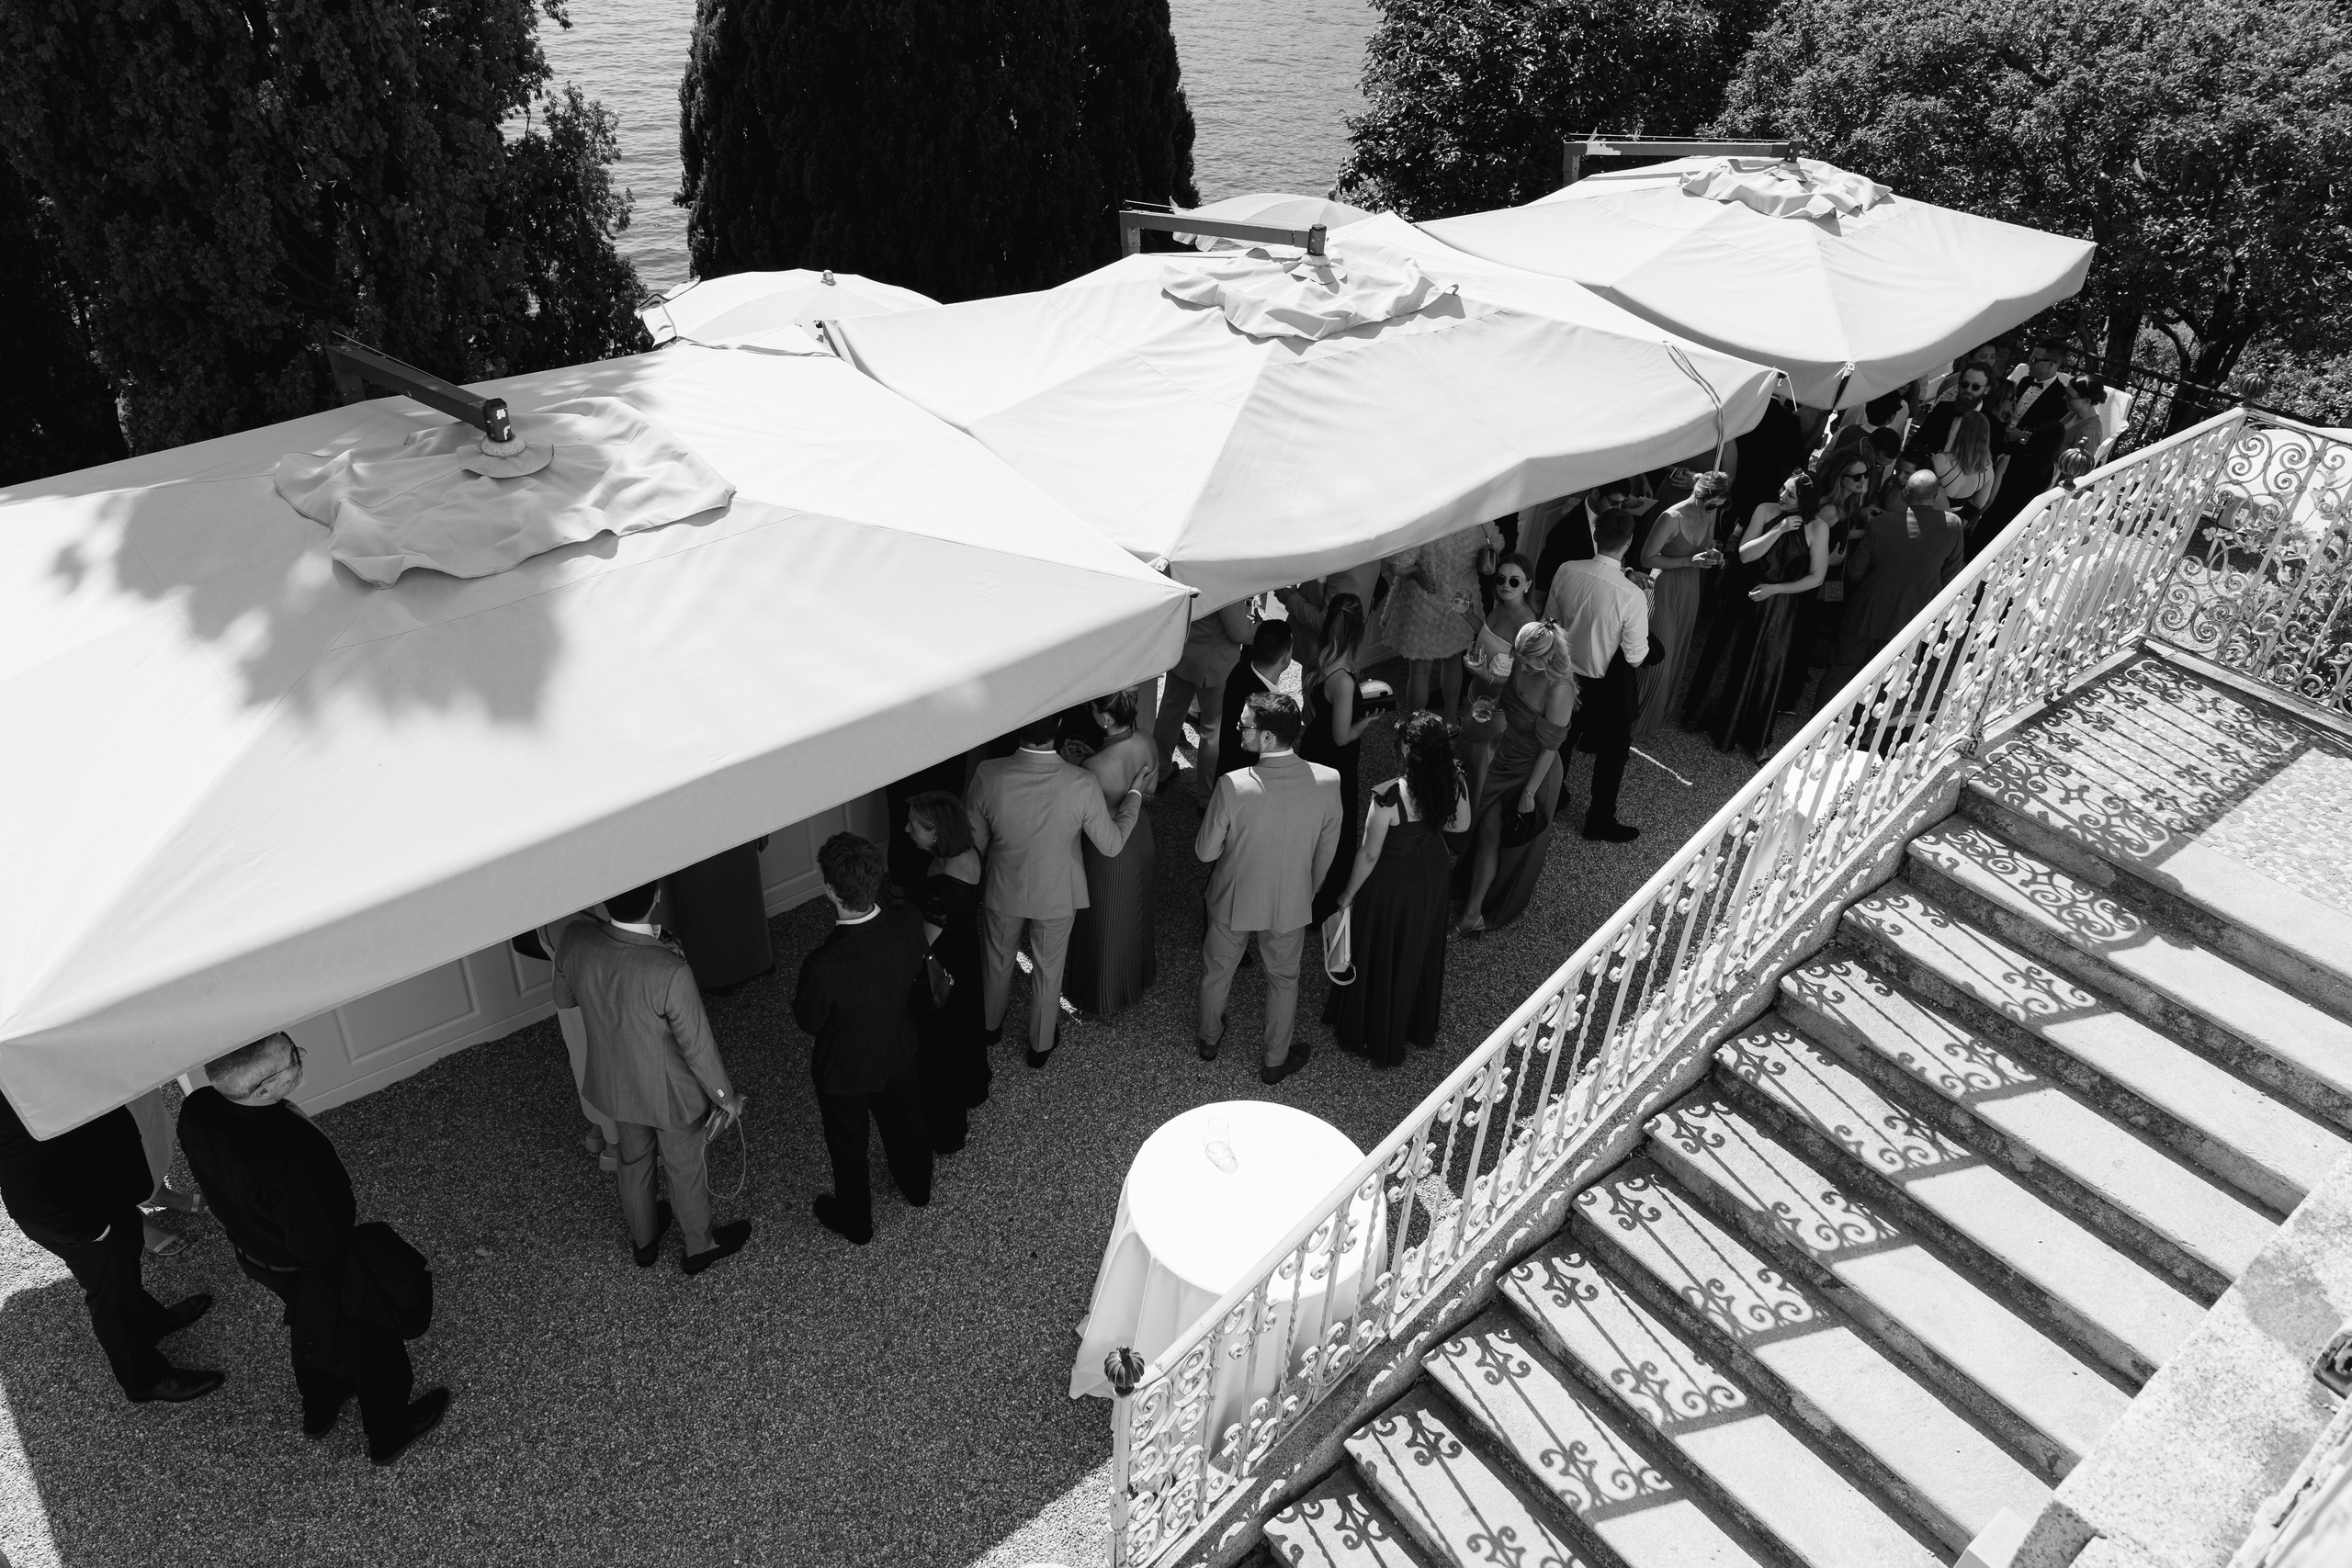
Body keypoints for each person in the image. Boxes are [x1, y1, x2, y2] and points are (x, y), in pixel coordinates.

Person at [179, 1034, 447, 1462]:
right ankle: (388, 1434)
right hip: (310, 1264)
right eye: (291, 1059)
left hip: (256, 1255)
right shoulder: (287, 1160)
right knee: (373, 1344)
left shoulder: (198, 1107)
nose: (302, 1055)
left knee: (314, 1329)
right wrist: (356, 1288)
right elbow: (317, 1249)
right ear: (263, 1090)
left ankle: (320, 1408)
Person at [554, 880, 752, 1275]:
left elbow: (564, 999)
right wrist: (725, 1097)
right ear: (658, 897)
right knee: (685, 1167)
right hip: (669, 1095)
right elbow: (697, 1048)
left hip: (616, 1084)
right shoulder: (669, 969)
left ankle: (644, 1243)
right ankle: (699, 1247)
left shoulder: (575, 938)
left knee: (634, 1158)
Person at [0, 1092, 220, 1404]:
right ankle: (144, 1379)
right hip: (78, 1218)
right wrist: (92, 1231)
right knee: (111, 1294)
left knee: (124, 1271)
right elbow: (21, 1179)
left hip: (100, 1188)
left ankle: (150, 1322)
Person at [967, 713, 1148, 1067]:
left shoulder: (988, 774)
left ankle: (990, 1028)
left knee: (997, 960)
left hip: (1005, 884)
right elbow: (1111, 845)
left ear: (1018, 727)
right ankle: (1040, 1046)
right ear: (1061, 726)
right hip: (1058, 891)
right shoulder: (1080, 782)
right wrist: (1134, 796)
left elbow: (976, 839)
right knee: (1049, 970)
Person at [792, 833, 936, 1246]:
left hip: (845, 1071)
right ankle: (918, 1188)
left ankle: (857, 1222)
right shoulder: (908, 919)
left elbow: (809, 1021)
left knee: (848, 1147)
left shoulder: (823, 964)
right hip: (896, 1048)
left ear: (831, 891)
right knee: (908, 1122)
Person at [1193, 693, 1342, 1084]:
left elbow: (1205, 852)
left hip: (1233, 899)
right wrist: (1304, 892)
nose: (1239, 729)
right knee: (1284, 979)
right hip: (1290, 901)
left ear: (1268, 738)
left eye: (1246, 726)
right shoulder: (1329, 781)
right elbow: (1327, 853)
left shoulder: (1232, 785)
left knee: (1217, 971)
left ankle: (1209, 1039)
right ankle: (1275, 1060)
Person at [1326, 713, 1471, 1064]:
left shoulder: (1390, 796)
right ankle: (1413, 1022)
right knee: (1419, 942)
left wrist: (1347, 894)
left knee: (1382, 946)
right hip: (1433, 873)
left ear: (1406, 749)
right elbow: (1461, 824)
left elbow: (1370, 853)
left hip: (1393, 882)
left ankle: (1376, 1026)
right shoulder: (1453, 781)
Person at [1685, 473, 1834, 760]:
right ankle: (1708, 716)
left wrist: (1776, 589)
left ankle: (1747, 731)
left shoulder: (1818, 527)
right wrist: (1777, 529)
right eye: (1783, 488)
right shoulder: (1766, 510)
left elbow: (1816, 578)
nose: (1782, 495)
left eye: (1790, 494)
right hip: (1745, 597)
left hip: (1778, 606)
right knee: (1728, 655)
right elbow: (1744, 555)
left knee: (1763, 665)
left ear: (1805, 501)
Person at [1457, 619, 1578, 932]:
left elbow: (1550, 749)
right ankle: (1473, 900)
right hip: (1506, 758)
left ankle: (1475, 913)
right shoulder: (1521, 665)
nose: (1522, 670)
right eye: (1520, 662)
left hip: (1536, 772)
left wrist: (1528, 793)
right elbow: (1510, 699)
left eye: (1530, 666)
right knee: (1486, 830)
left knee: (1501, 836)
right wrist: (1490, 702)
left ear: (1548, 658)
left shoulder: (1559, 688)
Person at [1816, 468, 1969, 706]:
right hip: (1911, 619)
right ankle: (1854, 730)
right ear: (1936, 496)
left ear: (1906, 494)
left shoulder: (1881, 523)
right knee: (1883, 680)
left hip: (1867, 611)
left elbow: (1855, 571)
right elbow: (1951, 576)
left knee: (1842, 670)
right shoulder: (1953, 525)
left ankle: (1816, 726)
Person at [1548, 507, 1651, 842]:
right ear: (1629, 542)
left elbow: (1550, 622)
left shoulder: (1566, 570)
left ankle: (1554, 795)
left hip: (1563, 673)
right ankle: (1599, 820)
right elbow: (1635, 658)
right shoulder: (1631, 595)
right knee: (1614, 750)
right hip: (1606, 685)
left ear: (1596, 534)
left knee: (1562, 737)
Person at [1066, 689, 1159, 1019]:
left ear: (1105, 718)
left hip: (1108, 844)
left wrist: (1076, 763)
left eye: (1092, 710)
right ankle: (1136, 979)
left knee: (1103, 919)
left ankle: (1101, 996)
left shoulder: (1092, 766)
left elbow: (1085, 803)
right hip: (1140, 834)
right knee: (1136, 908)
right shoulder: (1147, 739)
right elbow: (1150, 785)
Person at [904, 792, 990, 1150]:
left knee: (942, 1042)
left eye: (914, 825)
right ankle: (972, 1084)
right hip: (965, 950)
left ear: (937, 833)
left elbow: (922, 943)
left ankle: (947, 1125)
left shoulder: (944, 889)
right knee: (966, 1021)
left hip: (944, 964)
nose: (906, 829)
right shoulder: (968, 852)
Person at [1300, 592, 1378, 925]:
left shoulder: (1320, 660)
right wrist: (1366, 722)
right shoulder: (1344, 680)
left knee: (1313, 825)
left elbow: (1315, 712)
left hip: (1313, 747)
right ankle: (1323, 907)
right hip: (1336, 759)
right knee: (1338, 828)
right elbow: (1342, 735)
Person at [1634, 474, 1726, 739]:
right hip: (1664, 586)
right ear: (1700, 496)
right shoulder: (1671, 517)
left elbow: (1705, 546)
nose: (1714, 510)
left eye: (1717, 506)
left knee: (1677, 649)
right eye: (1711, 505)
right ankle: (1636, 717)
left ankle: (1657, 711)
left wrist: (1712, 556)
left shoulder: (1709, 514)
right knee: (1658, 651)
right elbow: (1646, 557)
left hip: (1690, 587)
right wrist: (1689, 560)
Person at [1384, 520, 1499, 718]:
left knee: (1420, 670)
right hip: (1460, 602)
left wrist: (1417, 571)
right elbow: (1494, 550)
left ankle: (1415, 725)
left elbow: (1396, 567)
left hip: (1425, 601)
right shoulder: (1478, 517)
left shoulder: (1427, 520)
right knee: (1453, 661)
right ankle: (1451, 719)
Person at [1151, 598, 1255, 796]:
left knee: (1169, 714)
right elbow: (1240, 632)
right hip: (1216, 663)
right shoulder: (1225, 575)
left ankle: (1159, 772)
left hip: (1184, 651)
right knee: (1213, 730)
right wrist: (1264, 627)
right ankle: (1207, 795)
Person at [1216, 618, 1295, 778]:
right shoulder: (1266, 707)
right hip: (1248, 781)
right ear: (1286, 657)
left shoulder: (1241, 668)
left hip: (1226, 769)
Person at [1931, 412, 2001, 522]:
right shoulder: (1988, 472)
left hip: (1930, 515)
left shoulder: (1940, 460)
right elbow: (1979, 503)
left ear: (1960, 431)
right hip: (1954, 521)